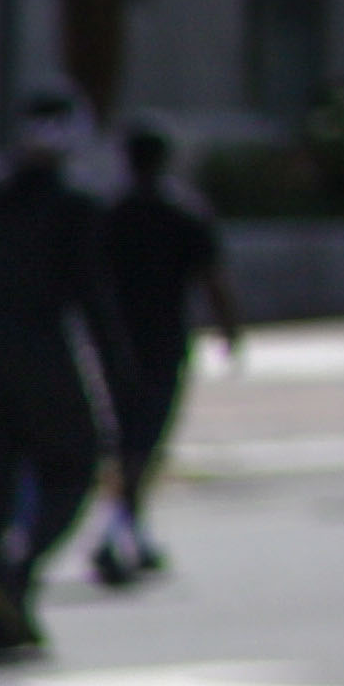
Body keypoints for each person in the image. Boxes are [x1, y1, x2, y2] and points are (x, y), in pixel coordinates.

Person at [0, 90, 114, 667]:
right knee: (76, 463)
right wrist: (119, 374)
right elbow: (92, 295)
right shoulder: (75, 202)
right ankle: (18, 575)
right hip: (41, 352)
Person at [84, 119, 235, 588]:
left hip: (116, 339)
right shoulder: (182, 211)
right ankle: (121, 529)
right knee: (144, 438)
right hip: (162, 339)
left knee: (129, 437)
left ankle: (127, 527)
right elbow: (211, 278)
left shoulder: (108, 211)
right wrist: (230, 328)